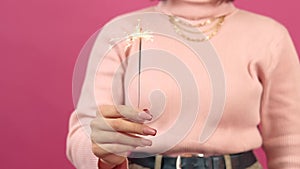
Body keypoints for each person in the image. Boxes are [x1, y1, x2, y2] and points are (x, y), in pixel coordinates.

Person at [66, 0, 300, 168]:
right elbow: (84, 131)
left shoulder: (270, 36)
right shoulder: (121, 32)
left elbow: (291, 144)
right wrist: (101, 149)